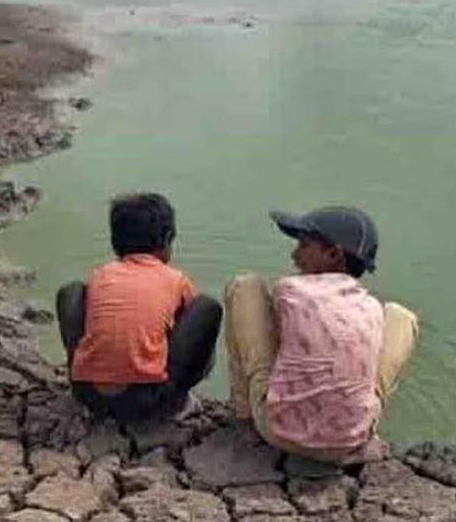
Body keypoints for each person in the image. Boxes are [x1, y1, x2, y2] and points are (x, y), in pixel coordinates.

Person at [224, 206, 419, 464]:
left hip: (278, 432)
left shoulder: (290, 290)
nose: (294, 255)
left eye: (304, 246)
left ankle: (244, 416)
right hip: (351, 439)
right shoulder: (371, 308)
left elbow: (276, 341)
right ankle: (362, 428)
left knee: (244, 287)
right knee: (402, 317)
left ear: (333, 254)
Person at [56, 193, 222, 423]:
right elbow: (191, 337)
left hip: (87, 394)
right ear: (166, 240)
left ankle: (87, 373)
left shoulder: (100, 276)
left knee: (71, 291)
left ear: (115, 242)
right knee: (206, 308)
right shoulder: (175, 279)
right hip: (147, 403)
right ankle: (178, 403)